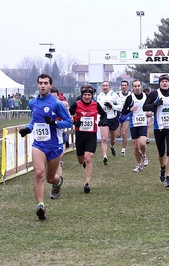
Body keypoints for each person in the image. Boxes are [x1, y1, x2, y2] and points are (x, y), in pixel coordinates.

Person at [18, 74, 72, 220]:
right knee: (38, 173)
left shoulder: (57, 103)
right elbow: (35, 121)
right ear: (37, 85)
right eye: (40, 83)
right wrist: (28, 129)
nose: (43, 85)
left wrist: (54, 123)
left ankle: (58, 182)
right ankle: (40, 205)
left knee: (49, 178)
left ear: (50, 85)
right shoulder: (32, 103)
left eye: (45, 83)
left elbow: (69, 123)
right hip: (39, 144)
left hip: (54, 145)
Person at [143, 74, 169, 188]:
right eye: (162, 81)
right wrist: (155, 104)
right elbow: (145, 107)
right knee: (161, 153)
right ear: (159, 83)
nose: (165, 83)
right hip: (158, 127)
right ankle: (162, 168)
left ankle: (168, 178)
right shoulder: (154, 94)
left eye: (166, 81)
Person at [69, 84, 107, 193]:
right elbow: (68, 115)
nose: (87, 97)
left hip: (91, 135)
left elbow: (103, 114)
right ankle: (84, 164)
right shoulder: (76, 105)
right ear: (82, 96)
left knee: (89, 158)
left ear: (92, 96)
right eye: (85, 95)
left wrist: (103, 121)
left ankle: (87, 183)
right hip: (80, 135)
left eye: (89, 95)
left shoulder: (95, 105)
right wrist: (75, 121)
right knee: (81, 160)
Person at [121, 80, 149, 172]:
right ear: (132, 88)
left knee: (142, 143)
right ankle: (138, 165)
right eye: (135, 86)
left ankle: (144, 155)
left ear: (141, 86)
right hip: (134, 124)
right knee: (136, 147)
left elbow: (151, 106)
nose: (137, 88)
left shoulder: (146, 96)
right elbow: (124, 110)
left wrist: (149, 112)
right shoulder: (130, 98)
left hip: (143, 123)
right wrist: (130, 109)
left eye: (138, 86)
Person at [96, 81, 122, 165]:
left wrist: (112, 106)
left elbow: (120, 106)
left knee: (112, 139)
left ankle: (112, 146)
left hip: (113, 118)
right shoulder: (100, 96)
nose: (105, 87)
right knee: (104, 138)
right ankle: (105, 157)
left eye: (106, 85)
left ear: (109, 87)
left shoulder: (114, 95)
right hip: (104, 119)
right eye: (103, 86)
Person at [115, 80, 132, 157]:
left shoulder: (131, 95)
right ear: (121, 86)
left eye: (125, 85)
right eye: (122, 85)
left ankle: (123, 150)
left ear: (127, 86)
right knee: (118, 135)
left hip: (127, 114)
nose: (124, 87)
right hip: (119, 114)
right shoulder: (117, 94)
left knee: (124, 132)